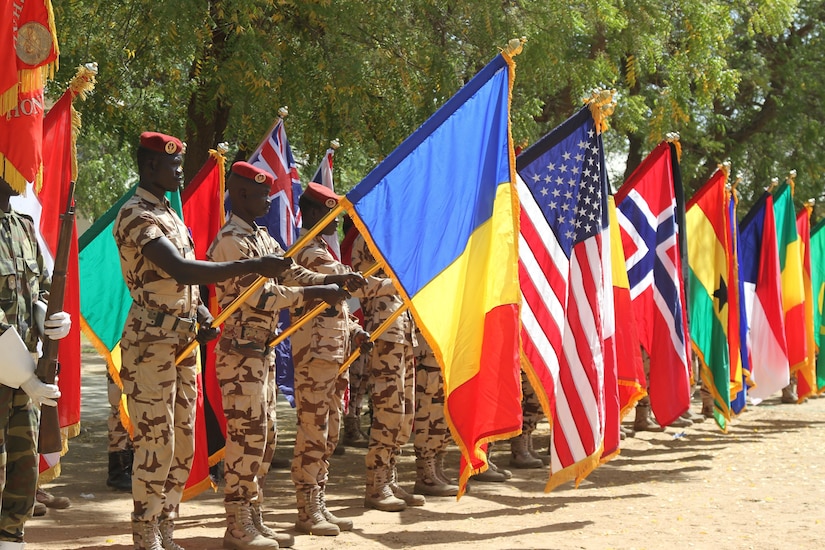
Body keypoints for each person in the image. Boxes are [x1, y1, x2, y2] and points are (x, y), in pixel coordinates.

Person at [113, 132, 294, 550]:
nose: (179, 171)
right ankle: (145, 534)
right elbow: (180, 269)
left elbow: (186, 289)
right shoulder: (136, 215)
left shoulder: (171, 216)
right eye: (172, 165)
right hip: (150, 344)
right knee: (156, 443)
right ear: (149, 167)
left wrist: (202, 313)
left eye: (179, 166)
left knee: (183, 443)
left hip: (182, 343)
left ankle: (166, 529)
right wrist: (253, 264)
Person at [207, 161, 362, 550]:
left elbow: (294, 274)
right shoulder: (231, 241)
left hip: (263, 352)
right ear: (241, 194)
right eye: (262, 193)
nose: (268, 200)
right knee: (246, 438)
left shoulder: (262, 237)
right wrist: (317, 294)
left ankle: (253, 516)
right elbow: (260, 295)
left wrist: (332, 280)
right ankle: (237, 523)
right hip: (240, 352)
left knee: (265, 438)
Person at [289, 183, 394, 536]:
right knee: (313, 431)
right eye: (331, 214)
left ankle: (318, 500)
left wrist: (354, 330)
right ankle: (307, 507)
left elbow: (336, 305)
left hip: (333, 352)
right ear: (315, 213)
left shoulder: (322, 249)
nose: (336, 222)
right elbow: (352, 287)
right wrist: (396, 284)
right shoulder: (308, 252)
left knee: (329, 431)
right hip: (315, 355)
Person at [0, 175, 70, 549]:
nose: (22, 174)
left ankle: (12, 539)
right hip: (15, 372)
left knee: (23, 471)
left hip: (22, 371)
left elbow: (41, 285)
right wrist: (27, 379)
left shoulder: (23, 226)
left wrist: (50, 315)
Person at [350, 233, 424, 512]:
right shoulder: (371, 234)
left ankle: (389, 477)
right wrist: (397, 284)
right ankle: (376, 484)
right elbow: (358, 284)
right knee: (388, 411)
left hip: (404, 332)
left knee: (404, 413)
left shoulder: (399, 231)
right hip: (384, 332)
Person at [411, 329, 459, 497]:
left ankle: (437, 468)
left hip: (445, 345)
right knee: (429, 411)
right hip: (430, 345)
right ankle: (426, 474)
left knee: (443, 413)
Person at [509, 371, 547, 469]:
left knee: (536, 397)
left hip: (530, 359)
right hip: (521, 360)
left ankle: (527, 446)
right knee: (525, 399)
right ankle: (519, 450)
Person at [105, 373, 134, 492]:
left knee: (136, 412)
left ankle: (131, 469)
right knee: (120, 412)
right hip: (120, 363)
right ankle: (118, 473)